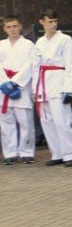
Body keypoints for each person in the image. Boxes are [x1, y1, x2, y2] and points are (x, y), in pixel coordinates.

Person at [33, 8, 72, 167]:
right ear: (42, 22)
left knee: (62, 120)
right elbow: (35, 67)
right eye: (49, 21)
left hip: (59, 83)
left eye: (55, 21)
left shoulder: (65, 39)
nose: (53, 24)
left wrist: (70, 89)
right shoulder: (40, 42)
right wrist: (35, 88)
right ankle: (57, 153)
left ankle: (70, 154)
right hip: (43, 84)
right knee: (47, 121)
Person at [0, 16, 36, 165]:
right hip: (3, 88)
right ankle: (10, 153)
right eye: (9, 27)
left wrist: (15, 83)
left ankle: (27, 152)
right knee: (6, 122)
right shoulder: (1, 45)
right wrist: (5, 83)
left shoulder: (28, 45)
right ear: (4, 29)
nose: (12, 29)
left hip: (21, 86)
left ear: (20, 26)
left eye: (14, 26)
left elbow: (30, 65)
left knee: (25, 121)